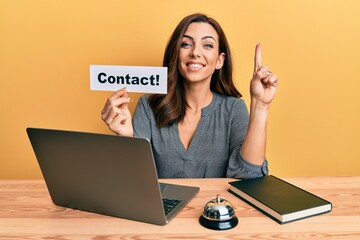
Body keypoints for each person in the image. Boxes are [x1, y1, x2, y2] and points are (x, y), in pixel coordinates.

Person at [101, 13, 278, 179]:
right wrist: (126, 137)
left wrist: (261, 105)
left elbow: (249, 177)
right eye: (186, 44)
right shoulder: (148, 106)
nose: (195, 52)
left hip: (214, 210)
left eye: (207, 45)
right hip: (162, 212)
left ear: (219, 61)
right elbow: (135, 180)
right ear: (175, 54)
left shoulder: (233, 109)